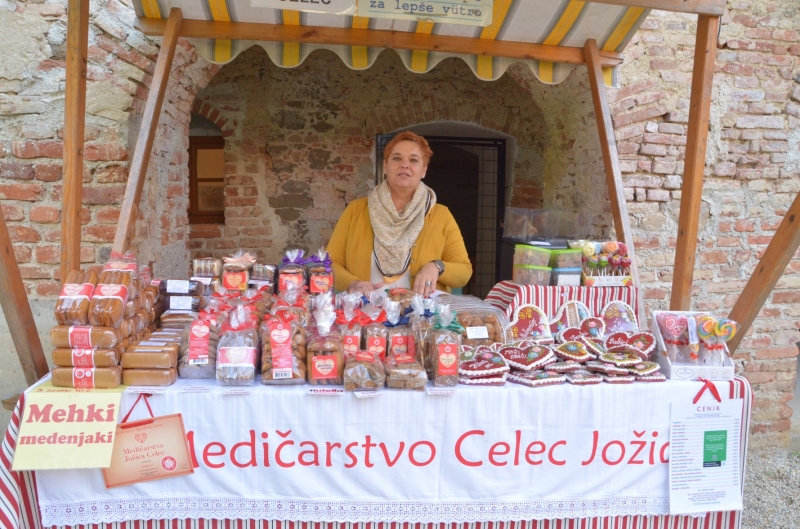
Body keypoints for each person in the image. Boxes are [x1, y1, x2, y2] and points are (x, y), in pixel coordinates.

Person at [328, 131, 472, 297]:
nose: (405, 165)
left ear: (424, 170)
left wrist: (437, 266)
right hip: (365, 310)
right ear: (385, 166)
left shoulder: (441, 216)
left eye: (413, 160)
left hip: (423, 312)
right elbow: (330, 263)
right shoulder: (355, 211)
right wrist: (352, 283)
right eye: (397, 158)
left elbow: (463, 271)